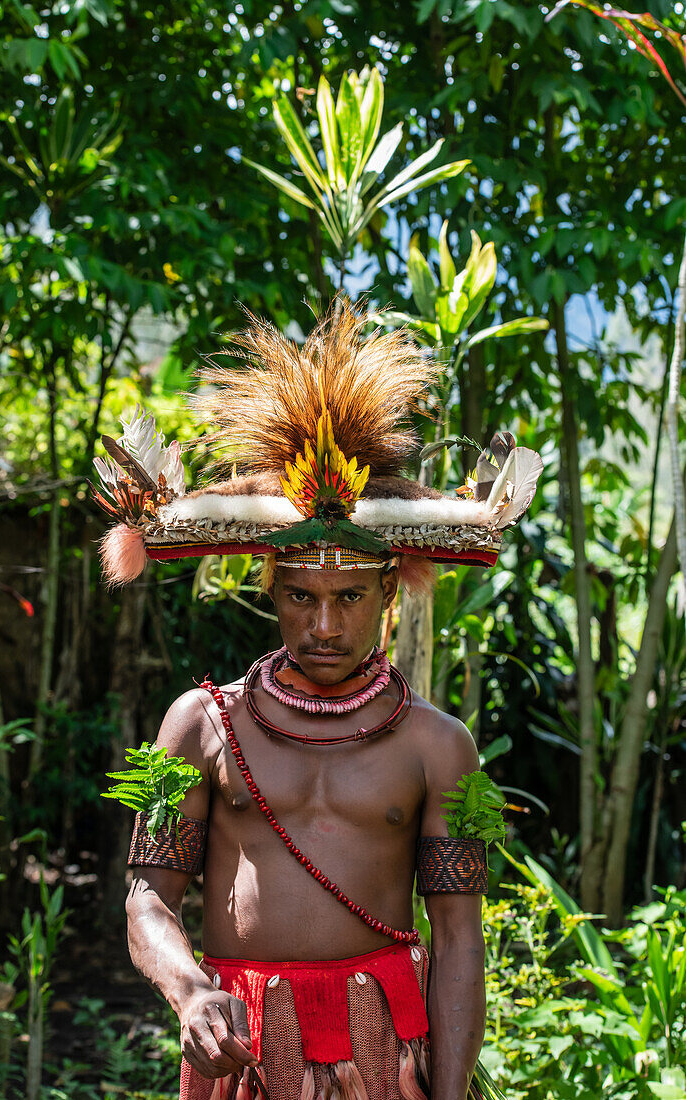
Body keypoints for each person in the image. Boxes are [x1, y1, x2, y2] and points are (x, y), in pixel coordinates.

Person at [95, 305, 541, 1100]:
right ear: (269, 587)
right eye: (300, 596)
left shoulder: (440, 748)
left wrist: (449, 1091)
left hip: (389, 1047)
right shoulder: (199, 726)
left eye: (348, 597)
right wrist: (191, 991)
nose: (324, 624)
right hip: (246, 1045)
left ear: (388, 594)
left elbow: (460, 938)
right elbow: (146, 899)